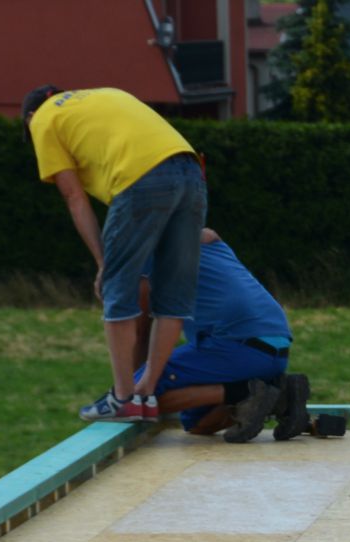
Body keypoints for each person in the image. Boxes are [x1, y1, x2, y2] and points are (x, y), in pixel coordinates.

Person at [21, 85, 206, 423]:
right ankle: (146, 393)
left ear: (31, 116)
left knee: (117, 289)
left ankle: (123, 398)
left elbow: (74, 198)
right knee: (175, 295)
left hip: (140, 177)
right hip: (191, 171)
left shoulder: (43, 119)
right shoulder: (103, 95)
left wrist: (102, 263)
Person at [116, 228, 313, 443]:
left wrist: (136, 389)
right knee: (196, 423)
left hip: (237, 345)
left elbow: (141, 334)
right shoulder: (206, 238)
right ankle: (277, 397)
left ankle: (244, 393)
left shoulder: (143, 260)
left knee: (128, 401)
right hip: (276, 351)